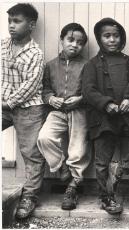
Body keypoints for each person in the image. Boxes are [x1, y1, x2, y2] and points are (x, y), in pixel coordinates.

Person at [81, 17, 129, 215]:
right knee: (101, 161)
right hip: (104, 118)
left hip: (128, 116)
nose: (112, 40)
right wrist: (106, 104)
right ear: (99, 39)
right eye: (107, 36)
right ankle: (106, 198)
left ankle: (121, 169)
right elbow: (88, 90)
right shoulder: (91, 65)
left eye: (116, 36)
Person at [37, 23, 91, 210]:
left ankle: (74, 185)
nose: (74, 44)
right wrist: (51, 99)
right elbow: (45, 89)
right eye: (70, 39)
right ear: (61, 40)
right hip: (58, 111)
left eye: (80, 42)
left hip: (79, 110)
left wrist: (81, 98)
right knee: (44, 138)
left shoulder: (87, 65)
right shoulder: (51, 65)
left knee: (77, 147)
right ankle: (62, 168)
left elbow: (91, 90)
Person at [1, 3, 46, 219]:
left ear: (31, 25)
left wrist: (7, 102)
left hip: (28, 107)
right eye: (9, 21)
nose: (11, 25)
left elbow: (30, 86)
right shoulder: (2, 46)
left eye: (17, 21)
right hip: (3, 104)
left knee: (31, 153)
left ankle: (29, 197)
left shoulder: (35, 53)